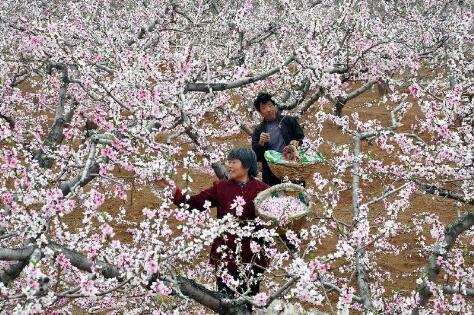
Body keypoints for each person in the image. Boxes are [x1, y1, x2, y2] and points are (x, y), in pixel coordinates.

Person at [155, 148, 268, 308]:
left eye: (233, 162)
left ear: (247, 166)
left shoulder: (262, 190)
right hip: (226, 253)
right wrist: (172, 190)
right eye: (228, 162)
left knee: (248, 301)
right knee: (225, 301)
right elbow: (193, 204)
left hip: (252, 255)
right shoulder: (220, 187)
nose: (229, 166)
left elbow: (273, 221)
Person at [251, 92, 305, 186]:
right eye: (263, 108)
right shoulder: (259, 130)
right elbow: (256, 156)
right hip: (272, 172)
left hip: (292, 167)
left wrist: (297, 142)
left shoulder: (287, 120)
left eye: (270, 105)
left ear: (275, 106)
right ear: (260, 112)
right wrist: (261, 143)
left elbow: (301, 138)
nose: (268, 110)